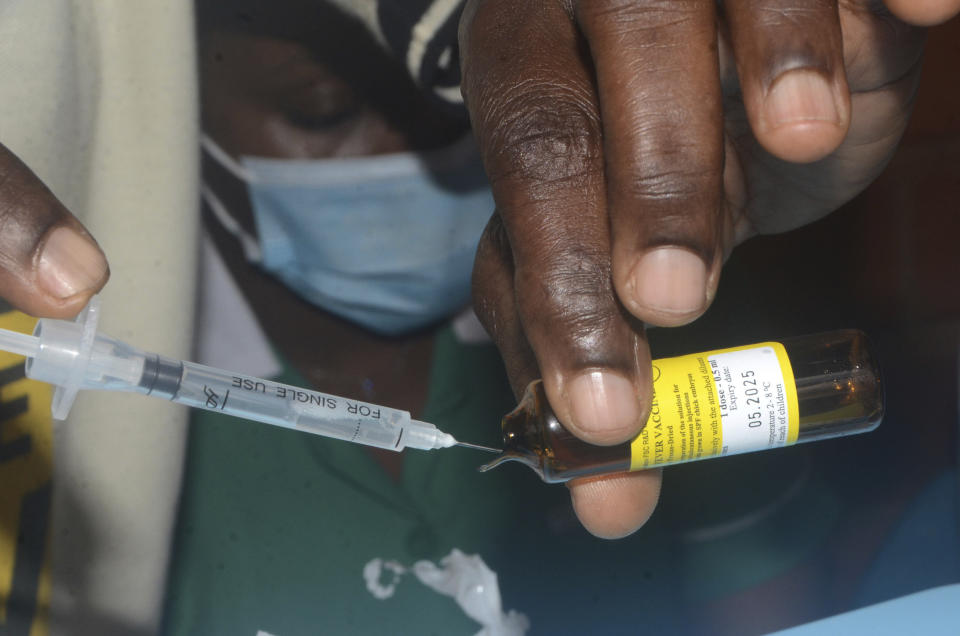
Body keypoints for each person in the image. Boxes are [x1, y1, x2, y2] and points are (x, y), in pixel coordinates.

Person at [0, 0, 957, 633]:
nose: (399, 154)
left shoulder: (601, 325)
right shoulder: (119, 457)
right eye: (327, 111)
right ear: (186, 113)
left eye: (436, 119)